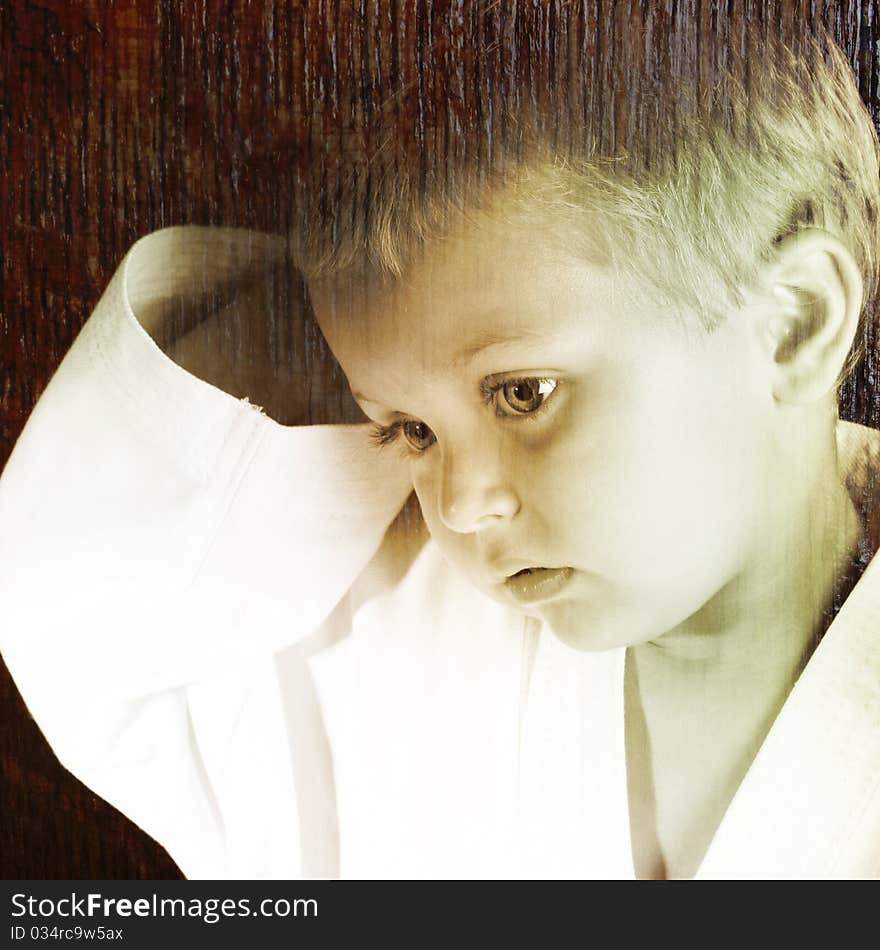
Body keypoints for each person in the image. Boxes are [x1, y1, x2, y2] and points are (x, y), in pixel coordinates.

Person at [2, 17, 880, 879]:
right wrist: (386, 298)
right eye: (410, 432)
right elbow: (75, 609)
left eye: (523, 394)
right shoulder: (385, 668)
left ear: (793, 323)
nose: (460, 505)